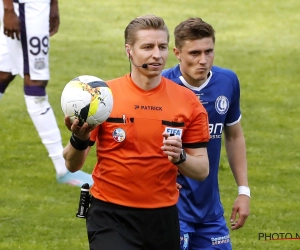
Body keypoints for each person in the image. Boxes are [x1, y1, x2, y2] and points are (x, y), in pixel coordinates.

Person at [63, 15, 210, 250]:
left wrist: (180, 157)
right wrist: (79, 139)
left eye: (162, 47)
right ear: (129, 51)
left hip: (163, 217)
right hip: (111, 215)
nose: (157, 55)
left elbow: (202, 170)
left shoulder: (188, 102)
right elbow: (72, 165)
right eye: (148, 47)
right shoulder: (102, 97)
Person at [162, 17, 250, 250]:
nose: (203, 61)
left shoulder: (227, 81)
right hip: (170, 206)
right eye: (194, 53)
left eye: (208, 51)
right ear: (177, 53)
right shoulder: (161, 86)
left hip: (209, 210)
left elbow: (233, 136)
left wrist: (244, 191)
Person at [0, 0, 93, 187]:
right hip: (24, 6)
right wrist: (9, 8)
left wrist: (53, 4)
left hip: (33, 6)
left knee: (4, 73)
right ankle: (63, 168)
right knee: (36, 85)